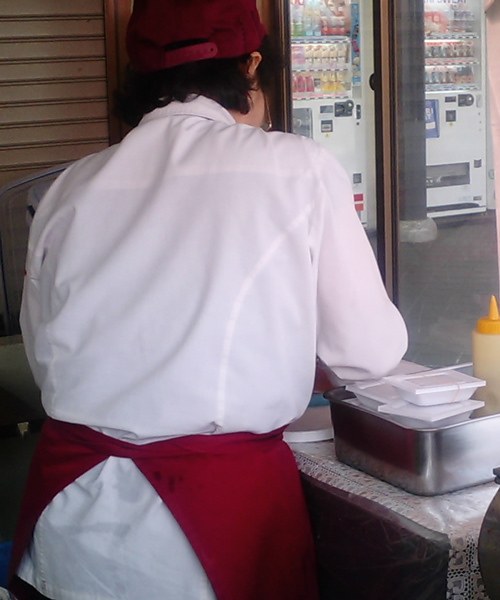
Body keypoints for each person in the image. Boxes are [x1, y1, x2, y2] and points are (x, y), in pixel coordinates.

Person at [7, 0, 408, 598]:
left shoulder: (68, 187)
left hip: (70, 519)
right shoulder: (297, 166)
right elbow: (367, 353)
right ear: (251, 66)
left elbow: (46, 357)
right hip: (210, 525)